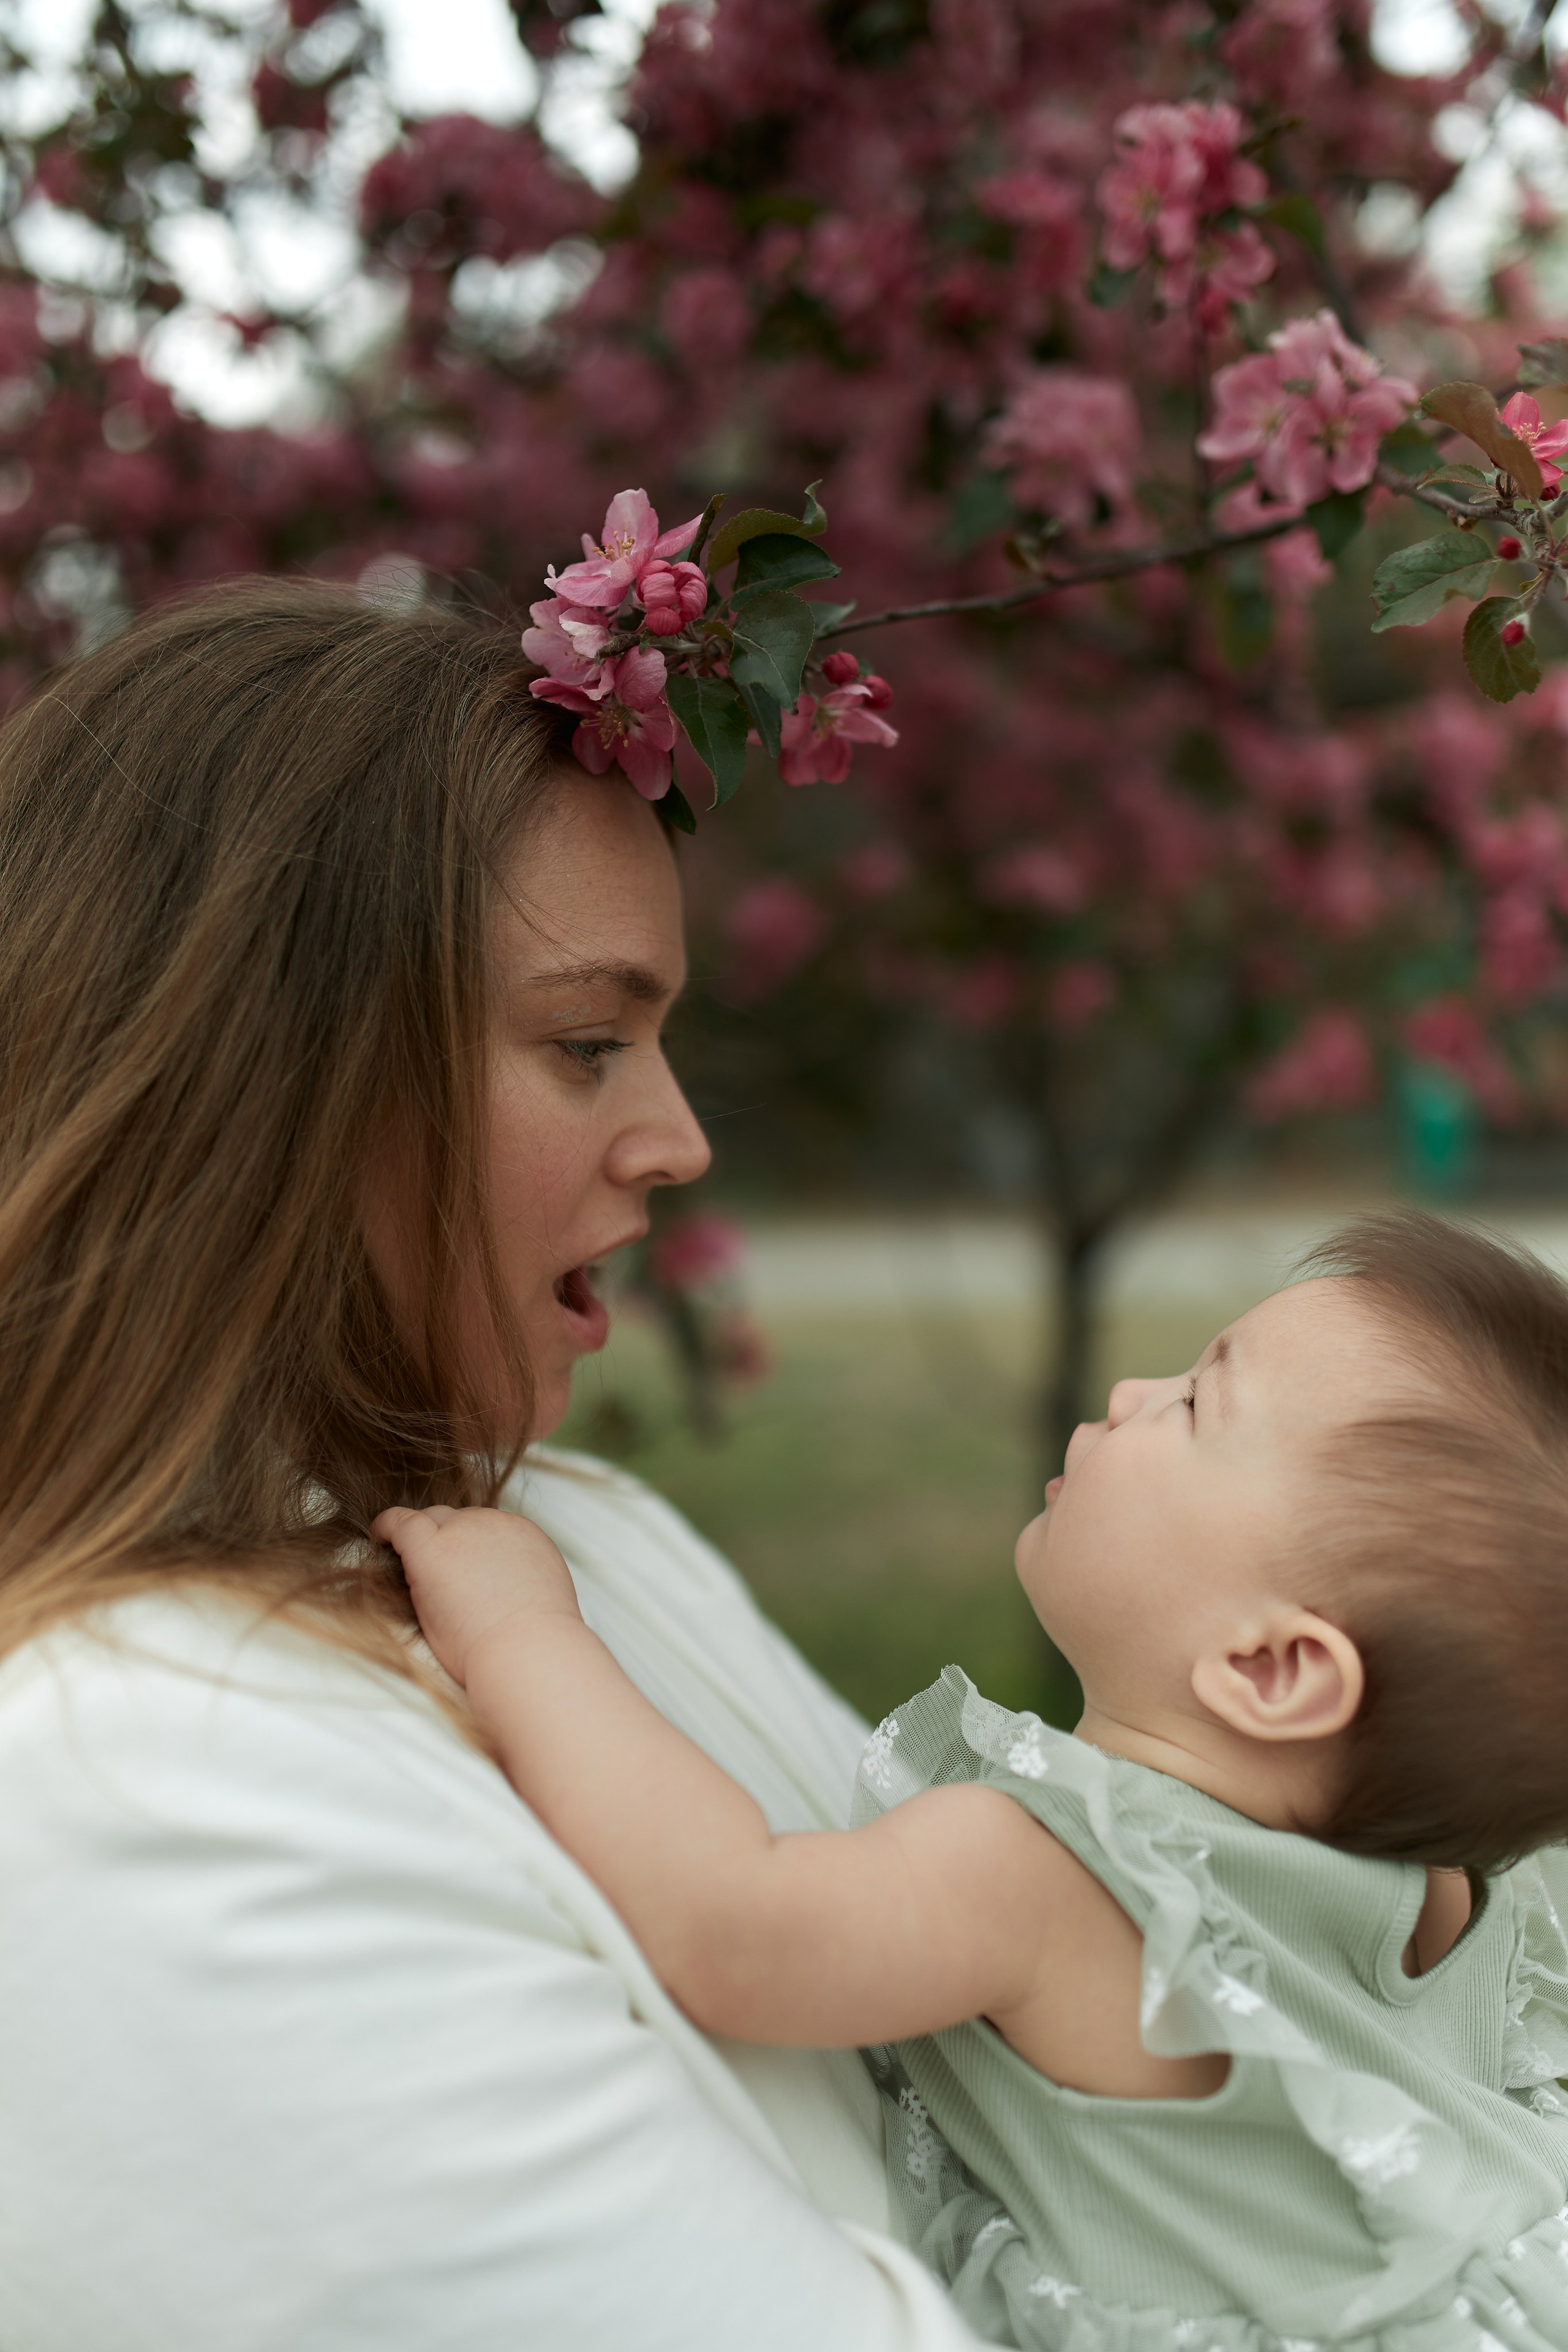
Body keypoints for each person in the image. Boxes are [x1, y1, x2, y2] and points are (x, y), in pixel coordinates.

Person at [0, 580, 985, 2351]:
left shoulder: (577, 1537)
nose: (678, 1142)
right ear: (271, 1084)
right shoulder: (148, 1778)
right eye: (587, 1043)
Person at [379, 1211, 1568, 2352]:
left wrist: (525, 1632)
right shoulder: (1451, 1887)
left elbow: (731, 1925)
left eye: (1195, 1405)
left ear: (1267, 1668)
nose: (1127, 1393)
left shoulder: (1048, 1876)